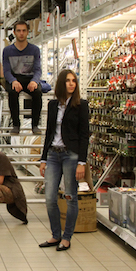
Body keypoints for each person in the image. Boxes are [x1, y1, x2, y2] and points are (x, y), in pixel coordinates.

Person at [39, 70, 90, 252]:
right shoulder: (53, 105)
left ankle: (67, 237)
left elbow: (84, 135)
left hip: (71, 155)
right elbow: (49, 132)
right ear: (61, 83)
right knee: (50, 197)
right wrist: (43, 158)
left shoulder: (81, 105)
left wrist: (82, 162)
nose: (71, 84)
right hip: (53, 154)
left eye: (74, 81)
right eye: (68, 80)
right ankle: (55, 235)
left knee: (70, 196)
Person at [2, 21, 43, 135]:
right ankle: (16, 125)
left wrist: (34, 81)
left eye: (24, 30)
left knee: (37, 92)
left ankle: (35, 125)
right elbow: (6, 71)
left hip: (29, 78)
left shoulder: (34, 50)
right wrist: (13, 81)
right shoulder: (7, 51)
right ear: (14, 32)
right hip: (14, 78)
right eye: (19, 31)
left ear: (28, 32)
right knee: (12, 92)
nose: (21, 33)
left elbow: (38, 69)